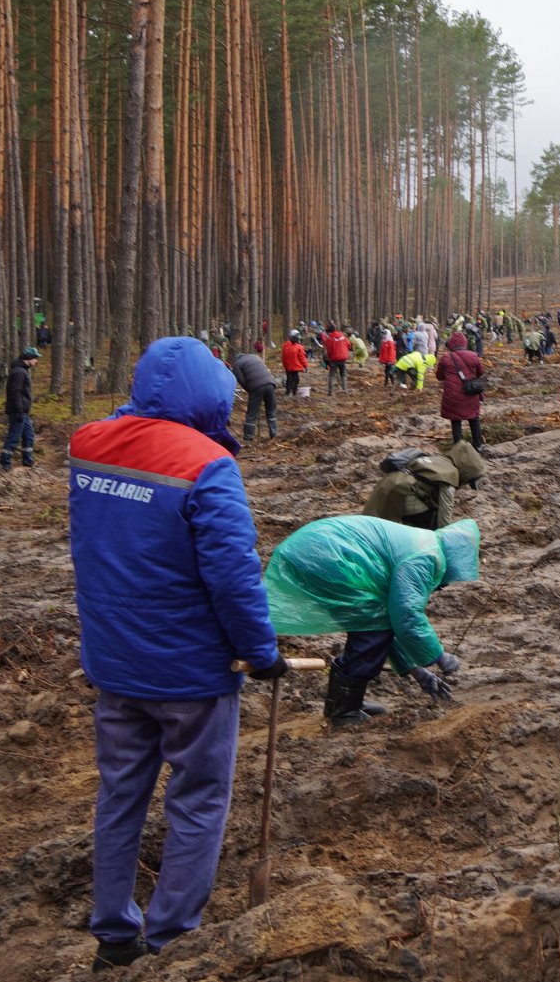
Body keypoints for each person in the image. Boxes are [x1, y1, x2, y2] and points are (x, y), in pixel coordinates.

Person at [67, 336, 284, 969]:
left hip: (114, 663)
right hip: (191, 673)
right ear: (213, 395)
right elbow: (233, 574)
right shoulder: (207, 464)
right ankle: (169, 939)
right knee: (198, 799)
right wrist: (260, 650)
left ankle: (113, 933)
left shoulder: (86, 446)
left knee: (120, 794)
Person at [264, 516, 479, 726]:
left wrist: (417, 671)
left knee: (371, 625)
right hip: (329, 554)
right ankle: (344, 711)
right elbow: (406, 616)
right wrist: (438, 655)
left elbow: (388, 622)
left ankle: (343, 704)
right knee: (371, 632)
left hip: (319, 549)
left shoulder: (423, 543)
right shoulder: (426, 558)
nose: (446, 586)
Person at [438, 332, 486, 451]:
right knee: (474, 419)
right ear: (465, 343)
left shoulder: (446, 358)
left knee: (456, 421)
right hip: (470, 393)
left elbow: (439, 376)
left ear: (452, 345)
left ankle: (459, 449)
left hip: (452, 395)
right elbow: (480, 372)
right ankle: (478, 445)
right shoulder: (473, 356)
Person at [1, 347, 40, 469]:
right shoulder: (18, 372)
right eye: (35, 358)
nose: (36, 361)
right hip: (18, 411)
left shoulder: (23, 371)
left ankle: (28, 461)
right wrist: (18, 410)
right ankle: (5, 463)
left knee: (29, 435)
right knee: (14, 437)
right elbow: (15, 392)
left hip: (24, 411)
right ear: (28, 359)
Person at [231, 348, 279, 442]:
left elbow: (241, 380)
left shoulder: (236, 364)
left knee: (252, 413)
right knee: (271, 410)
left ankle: (248, 437)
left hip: (256, 386)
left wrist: (249, 390)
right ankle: (274, 434)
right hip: (270, 384)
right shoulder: (255, 357)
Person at [323, 325, 352, 394]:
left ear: (329, 332)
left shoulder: (330, 339)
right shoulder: (343, 336)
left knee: (332, 375)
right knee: (343, 374)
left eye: (328, 333)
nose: (327, 334)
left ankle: (331, 392)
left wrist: (329, 358)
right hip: (343, 358)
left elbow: (329, 351)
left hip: (334, 359)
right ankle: (345, 390)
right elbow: (348, 345)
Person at [281, 330, 308, 397]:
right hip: (294, 367)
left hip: (287, 366)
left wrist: (285, 365)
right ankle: (293, 391)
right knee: (295, 379)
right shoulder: (299, 347)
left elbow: (283, 356)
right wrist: (305, 366)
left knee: (289, 379)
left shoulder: (285, 345)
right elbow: (302, 358)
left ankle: (288, 391)